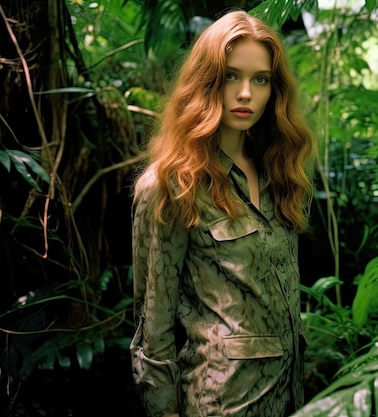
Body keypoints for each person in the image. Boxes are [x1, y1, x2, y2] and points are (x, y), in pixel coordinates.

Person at [129, 8, 316, 417]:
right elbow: (152, 330)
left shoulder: (278, 175)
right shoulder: (170, 185)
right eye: (232, 75)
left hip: (288, 399)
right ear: (207, 81)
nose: (245, 93)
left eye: (260, 79)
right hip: (221, 403)